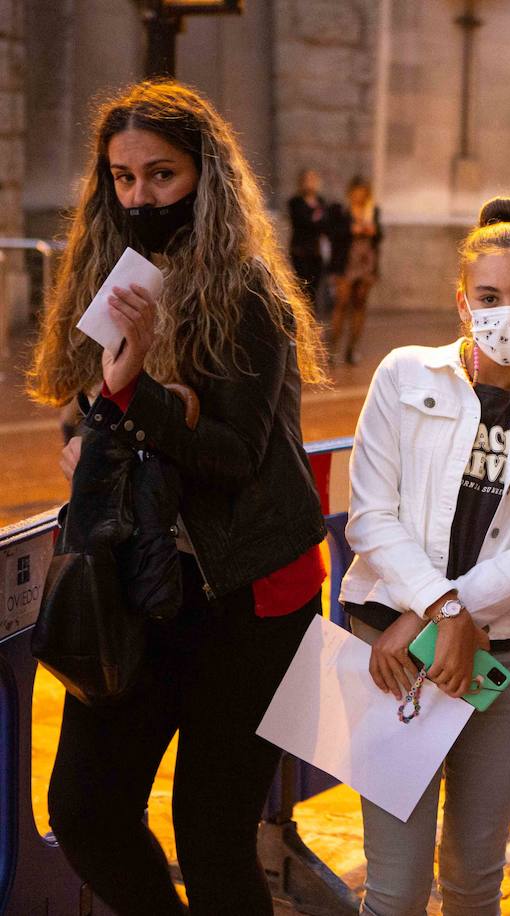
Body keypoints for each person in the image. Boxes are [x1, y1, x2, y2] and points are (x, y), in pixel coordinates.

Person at [27, 79, 329, 916]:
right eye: (122, 178)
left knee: (213, 834)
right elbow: (85, 420)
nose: (140, 196)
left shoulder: (248, 294)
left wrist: (137, 395)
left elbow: (235, 457)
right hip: (137, 587)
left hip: (248, 598)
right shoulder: (110, 273)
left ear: (207, 174)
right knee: (86, 812)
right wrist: (90, 429)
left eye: (161, 175)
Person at [339, 196, 510, 915]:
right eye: (489, 297)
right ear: (462, 302)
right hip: (389, 652)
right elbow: (370, 517)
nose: (508, 312)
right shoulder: (404, 375)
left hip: (497, 663)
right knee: (396, 882)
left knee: (477, 877)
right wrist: (439, 612)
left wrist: (442, 619)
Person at [328, 175, 383, 365]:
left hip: (366, 261)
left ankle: (352, 349)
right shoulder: (341, 210)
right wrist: (351, 230)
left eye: (363, 192)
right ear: (351, 192)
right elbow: (332, 233)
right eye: (357, 192)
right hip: (347, 261)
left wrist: (373, 231)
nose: (360, 196)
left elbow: (379, 236)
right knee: (341, 304)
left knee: (360, 304)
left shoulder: (372, 211)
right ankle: (332, 348)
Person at [287, 168, 328, 309]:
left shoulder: (321, 201)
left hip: (316, 251)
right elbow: (302, 222)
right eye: (308, 180)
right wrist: (315, 219)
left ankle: (312, 322)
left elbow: (325, 224)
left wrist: (315, 220)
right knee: (302, 287)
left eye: (313, 179)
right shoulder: (295, 202)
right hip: (301, 250)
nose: (311, 183)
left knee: (314, 290)